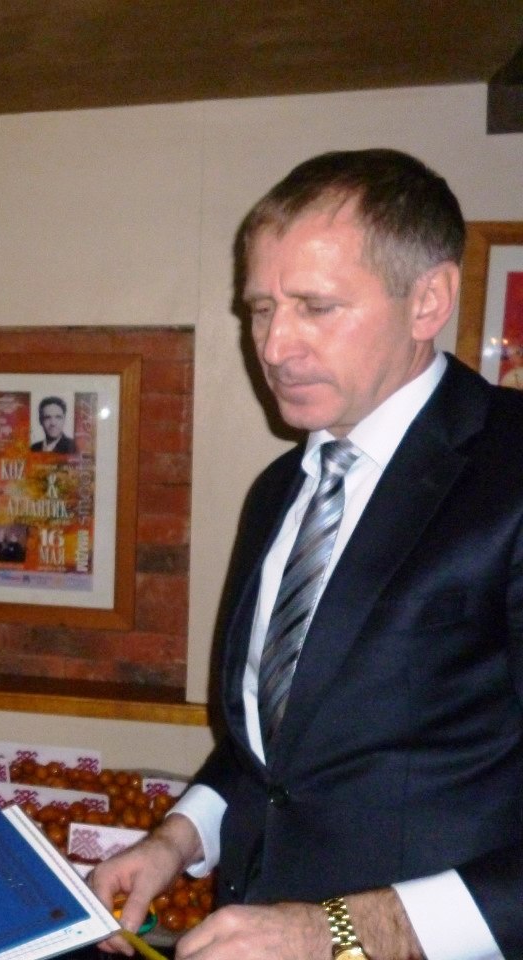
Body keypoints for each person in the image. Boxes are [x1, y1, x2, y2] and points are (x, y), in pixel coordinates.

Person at [90, 149, 523, 960]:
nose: (275, 345)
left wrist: (338, 932)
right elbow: (277, 755)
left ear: (429, 300)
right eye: (260, 309)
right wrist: (178, 839)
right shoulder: (279, 489)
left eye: (316, 307)